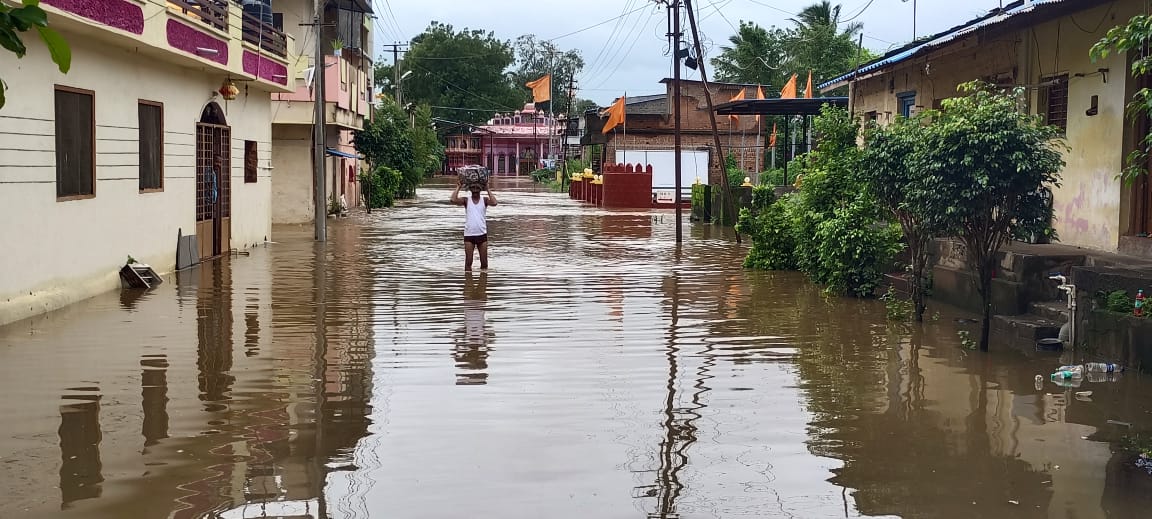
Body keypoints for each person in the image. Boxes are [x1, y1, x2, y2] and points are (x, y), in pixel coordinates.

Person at [450, 177, 498, 270]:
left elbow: (495, 202)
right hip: (469, 235)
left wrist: (488, 189)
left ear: (481, 189)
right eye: (473, 187)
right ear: (470, 189)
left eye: (477, 187)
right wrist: (458, 187)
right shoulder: (466, 200)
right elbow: (453, 200)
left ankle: (483, 282)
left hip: (482, 235)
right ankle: (468, 283)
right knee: (468, 262)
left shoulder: (484, 200)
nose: (475, 189)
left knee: (484, 263)